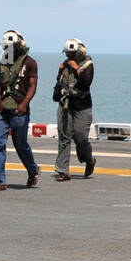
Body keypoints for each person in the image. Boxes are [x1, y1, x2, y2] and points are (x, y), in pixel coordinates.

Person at [0, 29, 40, 190]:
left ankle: (33, 170)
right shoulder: (3, 62)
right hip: (3, 108)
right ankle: (0, 181)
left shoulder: (30, 62)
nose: (8, 51)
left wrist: (24, 103)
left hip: (20, 108)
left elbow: (32, 86)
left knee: (20, 144)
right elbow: (0, 86)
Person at [52, 38, 95, 181]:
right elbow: (59, 81)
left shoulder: (88, 65)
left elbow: (85, 83)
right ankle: (62, 170)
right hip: (66, 106)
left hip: (82, 107)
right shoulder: (64, 65)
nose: (70, 57)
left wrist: (76, 68)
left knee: (81, 137)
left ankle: (89, 160)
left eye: (73, 54)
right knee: (64, 137)